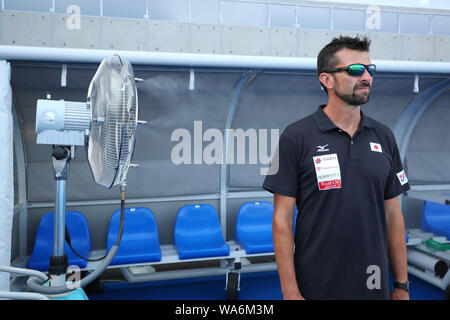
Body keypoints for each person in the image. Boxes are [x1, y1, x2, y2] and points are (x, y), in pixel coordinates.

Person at [263, 35, 410, 300]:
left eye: (369, 69)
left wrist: (401, 285)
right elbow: (281, 220)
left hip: (373, 285)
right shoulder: (295, 137)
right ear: (326, 80)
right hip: (316, 286)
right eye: (355, 70)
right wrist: (290, 291)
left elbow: (393, 215)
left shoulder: (384, 136)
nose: (365, 76)